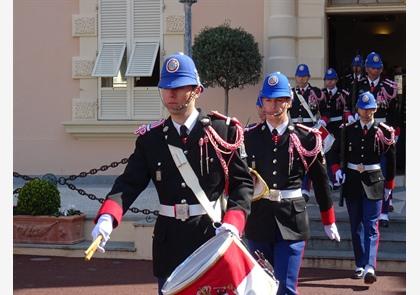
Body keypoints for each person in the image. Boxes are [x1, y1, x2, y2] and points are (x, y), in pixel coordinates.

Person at [90, 52, 254, 294]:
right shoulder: (151, 139)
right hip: (169, 243)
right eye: (166, 87)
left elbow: (242, 184)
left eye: (178, 87)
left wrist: (233, 223)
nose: (170, 94)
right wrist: (108, 217)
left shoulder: (221, 131)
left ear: (197, 90)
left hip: (210, 236)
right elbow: (129, 183)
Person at [244, 71, 340, 295]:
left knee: (285, 288)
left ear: (288, 102)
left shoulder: (307, 137)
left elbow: (320, 180)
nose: (273, 105)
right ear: (262, 102)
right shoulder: (249, 137)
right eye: (268, 100)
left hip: (292, 220)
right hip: (259, 219)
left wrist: (328, 219)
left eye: (279, 99)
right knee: (260, 288)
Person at [332, 91, 396, 284]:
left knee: (371, 225)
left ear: (375, 109)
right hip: (352, 181)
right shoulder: (347, 129)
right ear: (357, 109)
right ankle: (359, 264)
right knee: (355, 225)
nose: (366, 113)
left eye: (370, 109)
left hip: (374, 181)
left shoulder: (384, 131)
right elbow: (334, 152)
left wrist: (389, 186)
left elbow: (391, 160)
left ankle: (370, 266)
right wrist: (336, 170)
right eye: (363, 108)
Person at [358, 52, 399, 227]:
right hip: (365, 130)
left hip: (384, 131)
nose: (375, 71)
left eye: (378, 68)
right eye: (372, 68)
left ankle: (383, 211)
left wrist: (395, 132)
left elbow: (396, 111)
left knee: (385, 170)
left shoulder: (390, 86)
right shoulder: (357, 84)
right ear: (366, 68)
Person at [290, 64, 325, 200]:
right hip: (295, 128)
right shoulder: (291, 92)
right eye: (299, 76)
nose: (301, 79)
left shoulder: (316, 92)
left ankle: (305, 189)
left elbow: (325, 110)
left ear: (308, 77)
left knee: (309, 159)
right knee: (296, 159)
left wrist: (323, 122)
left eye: (304, 76)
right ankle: (298, 186)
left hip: (310, 129)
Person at [319, 68, 352, 188]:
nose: (330, 82)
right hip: (324, 127)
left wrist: (349, 118)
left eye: (332, 79)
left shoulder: (343, 93)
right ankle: (331, 178)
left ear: (336, 80)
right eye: (327, 80)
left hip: (338, 126)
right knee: (326, 152)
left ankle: (337, 177)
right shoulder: (320, 93)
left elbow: (347, 108)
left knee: (337, 150)